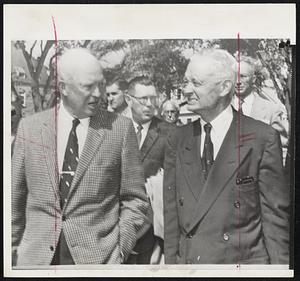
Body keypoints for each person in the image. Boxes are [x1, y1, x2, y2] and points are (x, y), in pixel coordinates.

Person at [11, 48, 150, 266]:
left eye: (101, 85)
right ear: (63, 88)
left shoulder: (120, 129)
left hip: (97, 261)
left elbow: (136, 200)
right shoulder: (30, 128)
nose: (98, 94)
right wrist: (10, 250)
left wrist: (119, 250)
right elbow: (14, 201)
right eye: (88, 86)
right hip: (36, 261)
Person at [163, 49, 289, 264]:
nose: (186, 90)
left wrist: (280, 271)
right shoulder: (177, 139)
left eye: (196, 83)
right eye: (186, 82)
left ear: (224, 87)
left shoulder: (262, 137)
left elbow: (274, 219)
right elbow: (172, 217)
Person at [125, 76, 175, 264]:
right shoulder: (112, 128)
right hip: (115, 226)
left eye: (153, 98)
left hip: (152, 229)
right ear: (128, 99)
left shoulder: (169, 132)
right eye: (143, 99)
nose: (149, 104)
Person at [232, 55, 289, 163]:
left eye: (243, 76)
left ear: (253, 79)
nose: (238, 81)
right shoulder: (223, 107)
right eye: (235, 76)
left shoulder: (271, 110)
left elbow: (281, 147)